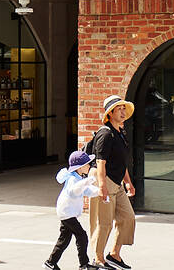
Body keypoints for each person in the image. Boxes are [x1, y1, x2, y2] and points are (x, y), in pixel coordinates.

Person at [89, 95, 136, 270]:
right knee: (104, 222)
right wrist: (101, 186)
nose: (123, 112)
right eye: (119, 109)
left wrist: (128, 182)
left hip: (117, 182)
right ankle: (98, 259)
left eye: (124, 108)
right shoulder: (105, 133)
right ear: (110, 113)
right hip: (104, 179)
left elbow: (121, 161)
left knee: (128, 218)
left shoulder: (120, 133)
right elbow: (101, 162)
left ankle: (114, 255)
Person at [44, 151, 100, 270]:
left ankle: (50, 263)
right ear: (80, 167)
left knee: (64, 239)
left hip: (67, 212)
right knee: (82, 236)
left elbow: (86, 191)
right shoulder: (72, 180)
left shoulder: (78, 177)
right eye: (87, 164)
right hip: (67, 212)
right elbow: (74, 191)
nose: (89, 166)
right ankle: (84, 264)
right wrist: (88, 181)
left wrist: (99, 192)